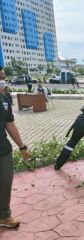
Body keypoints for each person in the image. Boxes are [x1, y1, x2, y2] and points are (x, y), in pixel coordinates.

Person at [0, 80, 30, 228]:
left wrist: (22, 147)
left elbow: (9, 124)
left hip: (3, 149)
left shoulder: (4, 99)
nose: (2, 81)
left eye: (3, 77)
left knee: (5, 182)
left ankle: (4, 216)